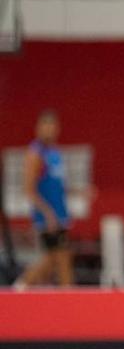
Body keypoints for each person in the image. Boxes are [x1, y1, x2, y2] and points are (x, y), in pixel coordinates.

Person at [16, 110, 74, 288]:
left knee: (55, 260)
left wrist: (79, 191)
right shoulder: (36, 153)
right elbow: (29, 190)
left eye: (52, 126)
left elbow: (58, 185)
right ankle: (20, 286)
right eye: (45, 125)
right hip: (48, 217)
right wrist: (48, 213)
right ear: (38, 128)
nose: (49, 129)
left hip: (60, 214)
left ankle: (23, 286)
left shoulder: (54, 153)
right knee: (59, 258)